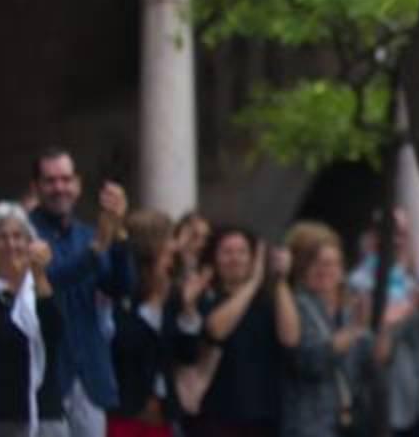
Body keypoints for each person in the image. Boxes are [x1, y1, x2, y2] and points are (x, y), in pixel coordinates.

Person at [28, 148, 133, 437]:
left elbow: (121, 287)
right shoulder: (22, 234)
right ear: (36, 187)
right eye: (50, 181)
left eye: (66, 179)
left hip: (90, 378)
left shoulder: (86, 234)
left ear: (78, 184)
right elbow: (51, 280)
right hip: (45, 381)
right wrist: (97, 248)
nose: (59, 187)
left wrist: (119, 232)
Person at [184, 225, 299, 437]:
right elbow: (216, 330)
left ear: (253, 258)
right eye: (227, 252)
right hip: (216, 417)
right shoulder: (205, 297)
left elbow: (291, 338)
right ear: (215, 259)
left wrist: (281, 280)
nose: (235, 259)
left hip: (264, 416)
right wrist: (253, 282)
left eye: (242, 252)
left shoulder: (269, 300)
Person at [106, 210, 209, 437]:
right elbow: (126, 347)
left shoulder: (171, 289)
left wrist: (189, 311)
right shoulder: (120, 290)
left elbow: (187, 355)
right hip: (125, 417)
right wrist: (155, 305)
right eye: (170, 237)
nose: (175, 245)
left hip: (163, 417)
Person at [345, 208, 419, 437]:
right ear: (375, 236)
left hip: (416, 399)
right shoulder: (360, 280)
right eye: (393, 233)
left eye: (403, 234)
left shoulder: (412, 278)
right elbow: (370, 331)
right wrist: (413, 305)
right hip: (380, 398)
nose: (398, 241)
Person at [281, 221, 370, 437]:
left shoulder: (349, 307)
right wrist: (354, 330)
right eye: (317, 264)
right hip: (308, 423)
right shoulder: (295, 305)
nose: (326, 271)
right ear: (300, 267)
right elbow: (310, 361)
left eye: (332, 264)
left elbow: (369, 362)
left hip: (349, 420)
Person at [0, 202, 66, 437]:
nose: (11, 244)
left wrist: (38, 275)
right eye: (1, 237)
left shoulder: (42, 286)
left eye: (18, 237)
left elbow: (54, 331)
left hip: (45, 414)